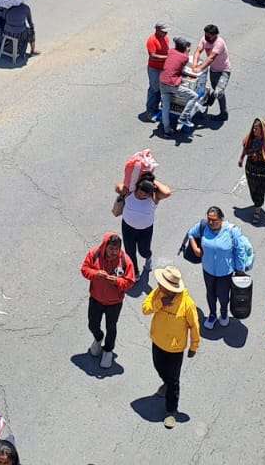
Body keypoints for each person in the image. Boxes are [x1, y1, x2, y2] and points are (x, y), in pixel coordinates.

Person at [142, 266, 200, 429]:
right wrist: (160, 303)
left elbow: (194, 326)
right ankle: (166, 383)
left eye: (162, 285)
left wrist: (194, 346)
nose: (159, 286)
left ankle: (171, 411)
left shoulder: (187, 304)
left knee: (174, 381)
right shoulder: (158, 294)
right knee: (158, 367)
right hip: (157, 341)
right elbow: (145, 309)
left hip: (175, 349)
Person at [182, 207, 255, 329]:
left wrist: (240, 270)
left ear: (221, 219)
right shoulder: (204, 226)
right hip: (208, 270)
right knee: (210, 294)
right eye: (209, 219)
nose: (211, 222)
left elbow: (240, 250)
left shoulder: (232, 231)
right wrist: (195, 248)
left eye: (214, 220)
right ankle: (212, 314)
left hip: (225, 273)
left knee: (223, 295)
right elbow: (191, 233)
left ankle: (224, 314)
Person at [81, 231, 136, 371]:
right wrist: (96, 274)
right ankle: (98, 338)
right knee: (93, 324)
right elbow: (84, 269)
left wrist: (117, 281)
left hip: (114, 303)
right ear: (105, 246)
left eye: (116, 249)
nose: (113, 252)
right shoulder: (94, 254)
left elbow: (130, 282)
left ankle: (108, 351)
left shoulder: (125, 261)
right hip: (96, 299)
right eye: (111, 249)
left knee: (111, 327)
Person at [113, 170, 171, 276]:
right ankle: (134, 272)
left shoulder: (154, 198)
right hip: (128, 227)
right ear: (137, 187)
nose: (141, 195)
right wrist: (137, 178)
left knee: (144, 251)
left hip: (145, 230)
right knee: (130, 252)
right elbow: (118, 187)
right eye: (140, 192)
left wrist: (152, 180)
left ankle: (148, 258)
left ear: (150, 194)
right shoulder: (129, 193)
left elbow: (167, 193)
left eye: (145, 195)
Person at [238, 118, 265, 222]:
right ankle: (257, 203)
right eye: (254, 128)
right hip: (251, 169)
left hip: (264, 171)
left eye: (256, 129)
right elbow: (245, 148)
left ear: (263, 130)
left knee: (260, 190)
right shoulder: (250, 139)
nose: (254, 130)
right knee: (253, 189)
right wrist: (241, 158)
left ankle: (257, 210)